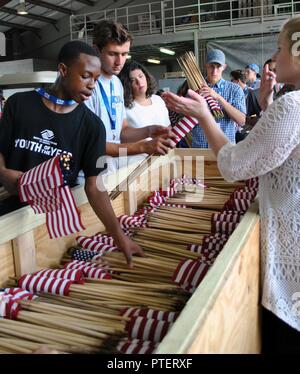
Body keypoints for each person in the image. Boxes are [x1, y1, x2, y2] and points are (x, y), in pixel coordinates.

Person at [162, 16, 300, 353]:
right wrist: (267, 104)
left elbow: (235, 166)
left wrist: (205, 117)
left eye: (280, 48)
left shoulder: (292, 106)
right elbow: (282, 148)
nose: (275, 56)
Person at [0, 40, 144, 268]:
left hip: (48, 222)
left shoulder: (92, 127)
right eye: (86, 76)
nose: (91, 85)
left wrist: (119, 236)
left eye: (95, 80)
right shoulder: (19, 104)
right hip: (7, 214)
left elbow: (94, 187)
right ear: (63, 70)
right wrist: (3, 173)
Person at [85, 20, 174, 173]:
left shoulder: (116, 84)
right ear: (96, 50)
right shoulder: (86, 85)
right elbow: (90, 143)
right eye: (112, 54)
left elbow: (122, 131)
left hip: (112, 170)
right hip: (89, 171)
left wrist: (148, 131)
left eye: (124, 54)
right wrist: (142, 146)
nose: (119, 62)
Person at [192, 49, 246, 148]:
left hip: (225, 150)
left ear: (224, 67)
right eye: (211, 66)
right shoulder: (195, 87)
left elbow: (242, 120)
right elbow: (186, 116)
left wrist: (218, 97)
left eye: (218, 66)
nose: (214, 71)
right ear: (206, 66)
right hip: (200, 147)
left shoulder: (234, 89)